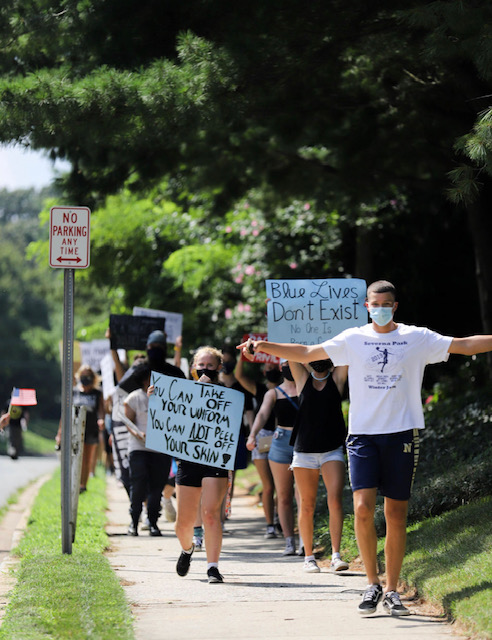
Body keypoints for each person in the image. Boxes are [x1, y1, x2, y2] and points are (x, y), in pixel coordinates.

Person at [238, 279, 492, 617]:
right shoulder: (353, 339)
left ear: (395, 306)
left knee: (395, 514)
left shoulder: (416, 338)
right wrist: (263, 345)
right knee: (361, 507)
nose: (381, 308)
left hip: (401, 435)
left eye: (387, 303)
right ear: (367, 306)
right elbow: (307, 353)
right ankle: (372, 583)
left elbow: (463, 345)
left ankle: (392, 589)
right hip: (362, 437)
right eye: (375, 303)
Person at [150, 346, 229, 583]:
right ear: (193, 368)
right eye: (201, 365)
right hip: (188, 458)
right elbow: (166, 420)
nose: (206, 369)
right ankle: (187, 550)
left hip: (214, 458)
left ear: (219, 368)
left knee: (210, 514)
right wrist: (156, 397)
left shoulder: (227, 394)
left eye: (210, 365)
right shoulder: (180, 391)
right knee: (182, 524)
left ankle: (213, 567)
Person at [288, 358, 349, 574]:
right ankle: (308, 556)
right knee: (307, 504)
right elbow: (290, 350)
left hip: (332, 449)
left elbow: (348, 347)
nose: (319, 360)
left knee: (335, 500)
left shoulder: (337, 378)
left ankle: (336, 555)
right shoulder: (302, 378)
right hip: (304, 452)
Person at [246, 360, 299, 556]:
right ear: (281, 368)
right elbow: (261, 415)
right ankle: (289, 541)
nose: (289, 366)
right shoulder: (274, 393)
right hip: (280, 442)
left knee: (301, 496)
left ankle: (304, 540)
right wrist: (252, 435)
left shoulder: (307, 388)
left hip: (304, 443)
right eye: (285, 363)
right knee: (283, 495)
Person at [235, 355, 282, 539]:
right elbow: (239, 375)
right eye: (268, 367)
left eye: (275, 366)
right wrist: (243, 356)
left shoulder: (290, 388)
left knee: (282, 486)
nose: (271, 370)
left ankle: (279, 518)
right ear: (264, 371)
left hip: (283, 439)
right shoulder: (259, 389)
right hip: (263, 439)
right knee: (269, 486)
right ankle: (270, 524)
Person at [124, 360, 171, 537]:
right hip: (139, 448)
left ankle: (152, 521)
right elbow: (128, 422)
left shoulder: (168, 397)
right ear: (144, 379)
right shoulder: (134, 398)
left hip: (161, 449)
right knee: (138, 485)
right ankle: (134, 521)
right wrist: (138, 434)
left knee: (157, 487)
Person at [72, 365, 105, 493]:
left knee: (86, 458)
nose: (86, 378)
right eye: (83, 375)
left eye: (88, 376)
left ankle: (83, 485)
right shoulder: (74, 391)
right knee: (75, 457)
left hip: (91, 429)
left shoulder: (97, 393)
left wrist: (101, 420)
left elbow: (101, 410)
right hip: (75, 429)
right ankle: (74, 482)